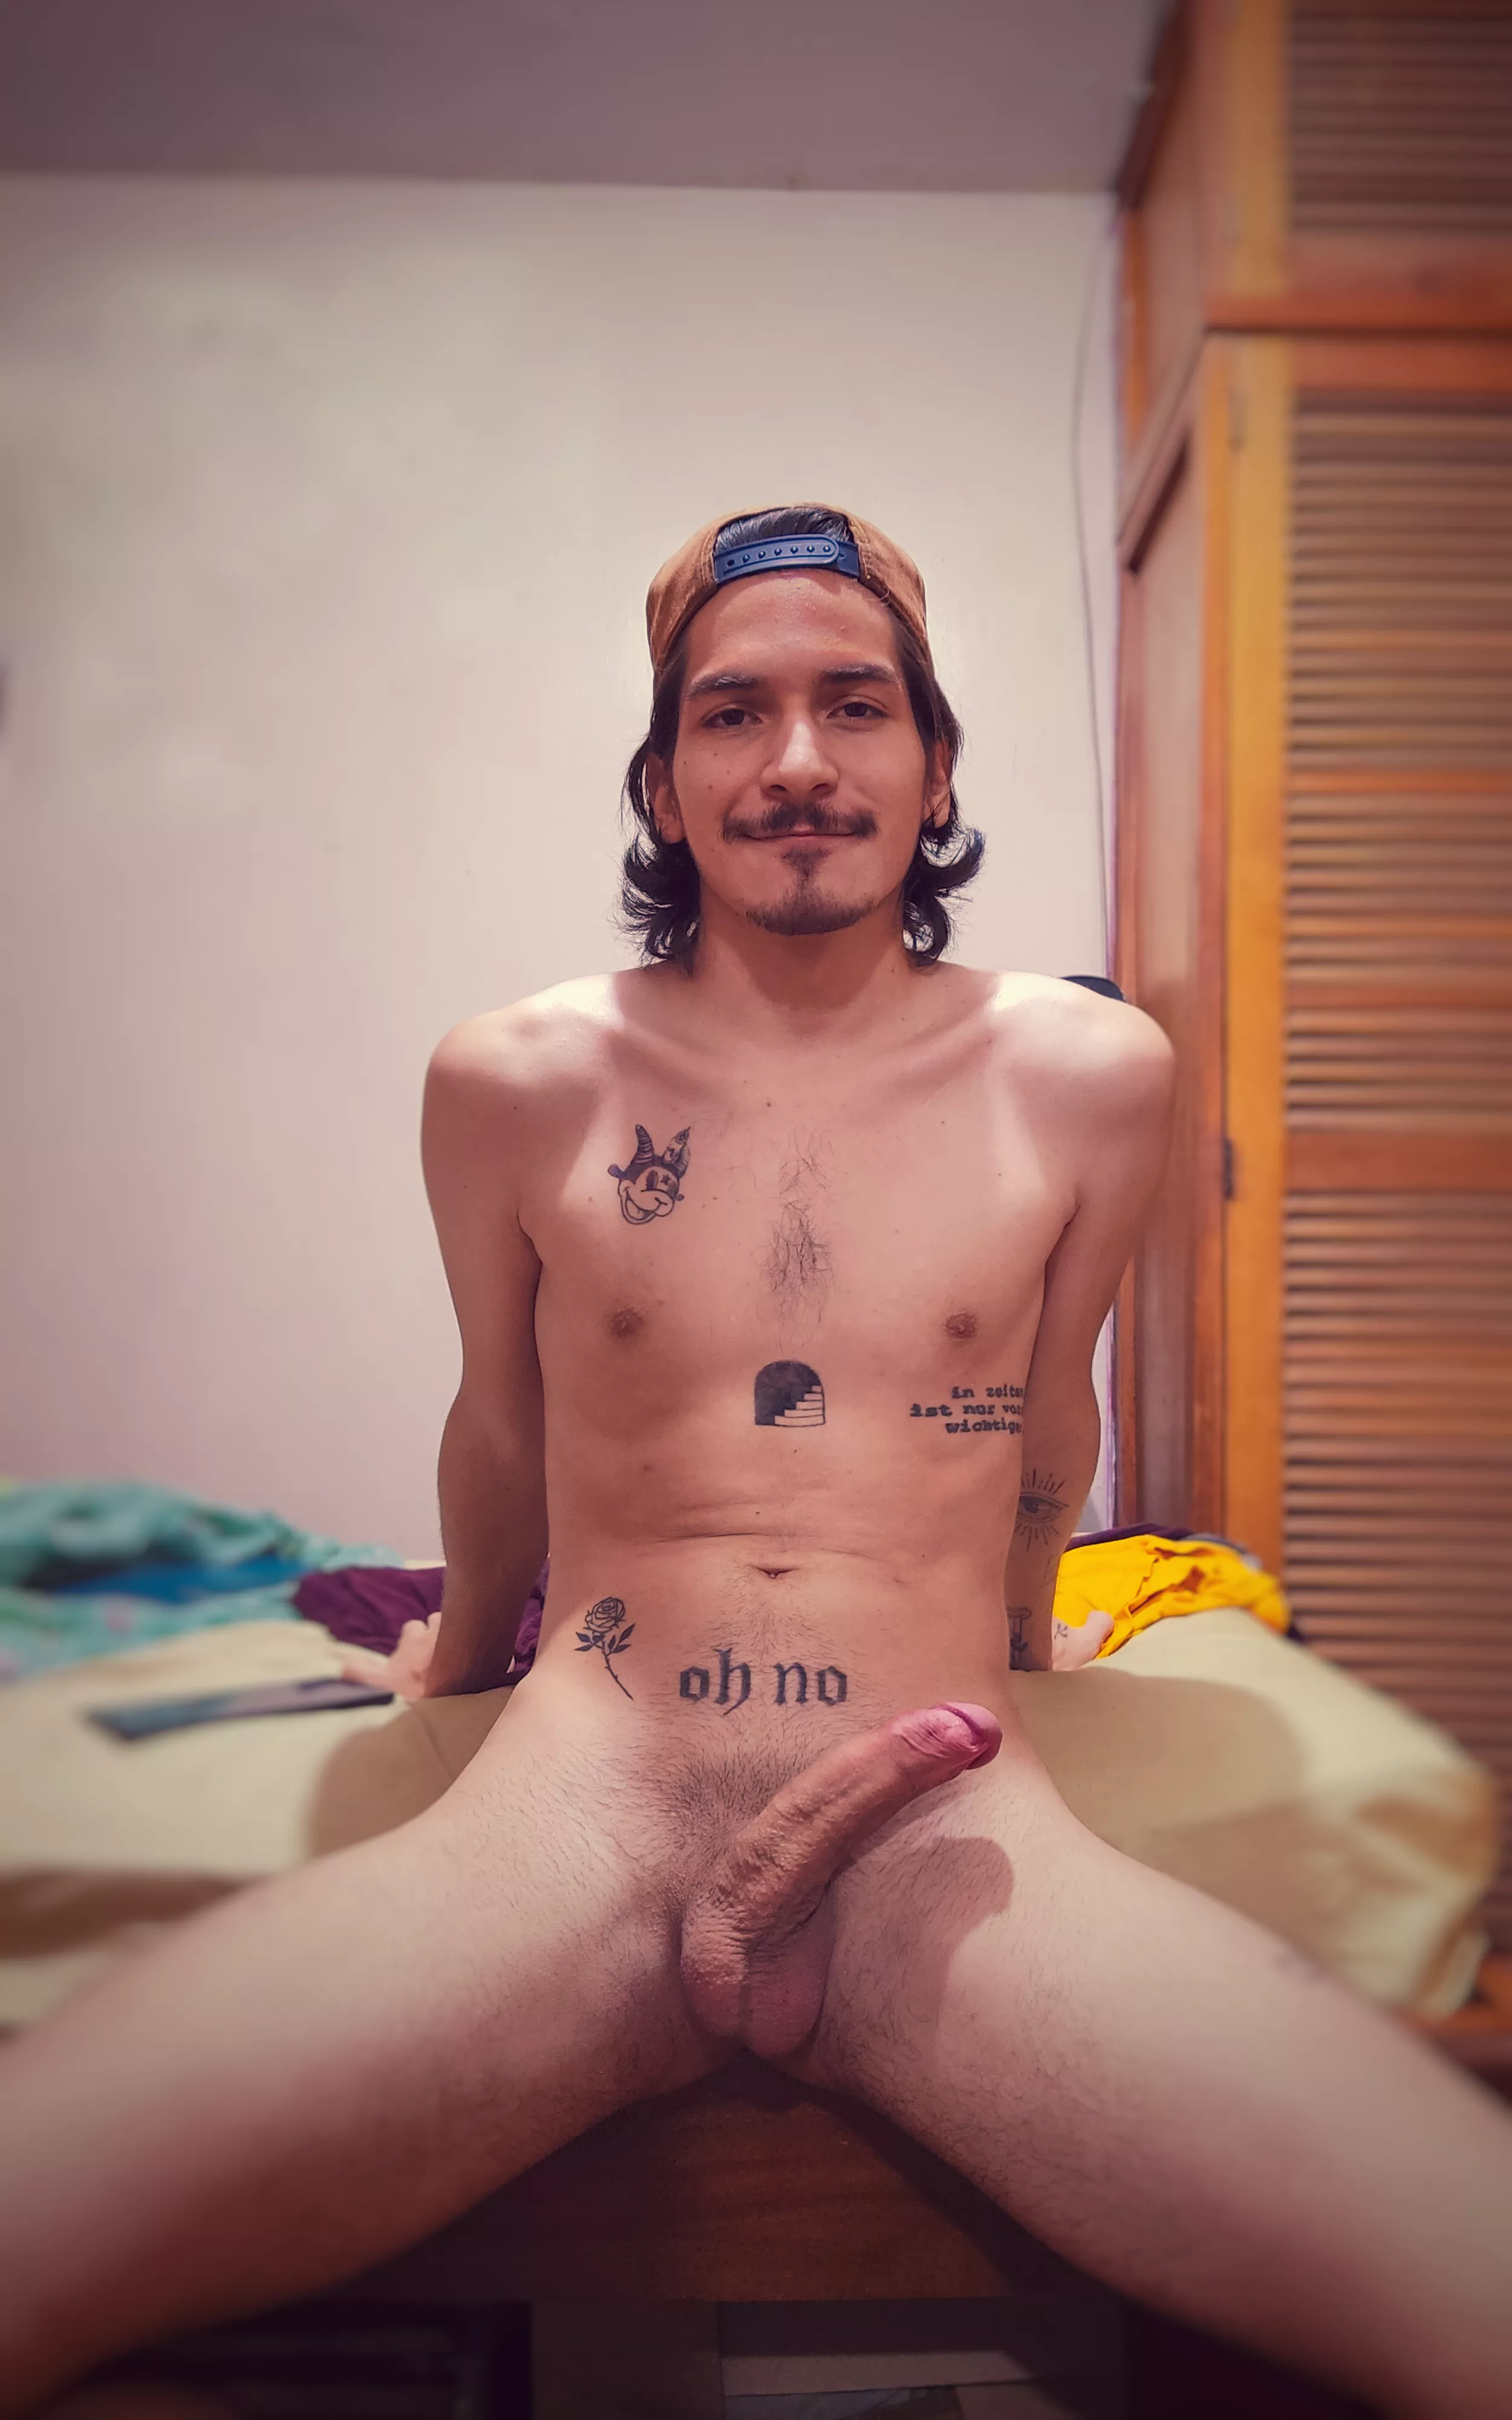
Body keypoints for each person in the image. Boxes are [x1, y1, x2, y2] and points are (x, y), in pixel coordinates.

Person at [1, 504, 1510, 2419]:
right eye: (732, 714)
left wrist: (1029, 1626)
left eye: (855, 705)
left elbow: (1048, 1408)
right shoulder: (513, 1076)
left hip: (947, 1835)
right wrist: (455, 1652)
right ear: (663, 781)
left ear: (934, 762)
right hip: (579, 1820)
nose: (797, 761)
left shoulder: (1087, 1073)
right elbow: (499, 1422)